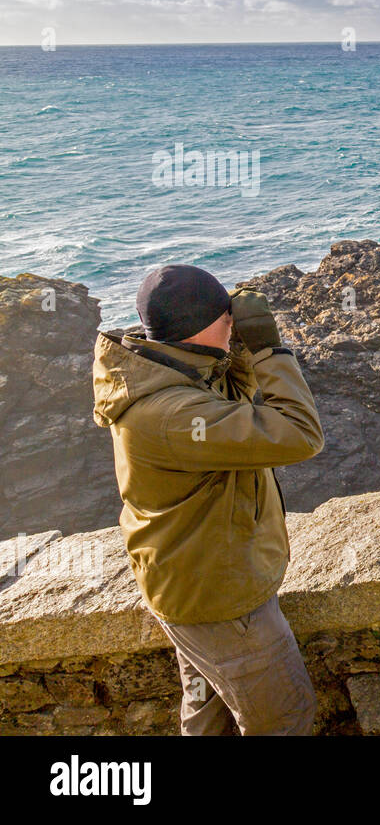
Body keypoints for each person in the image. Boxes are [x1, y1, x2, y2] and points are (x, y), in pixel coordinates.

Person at [91, 264, 325, 735]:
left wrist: (232, 347)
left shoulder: (167, 367)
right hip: (223, 603)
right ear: (206, 326)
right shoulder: (173, 413)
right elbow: (299, 434)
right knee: (284, 720)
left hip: (190, 585)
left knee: (207, 722)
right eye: (228, 318)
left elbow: (239, 399)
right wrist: (267, 347)